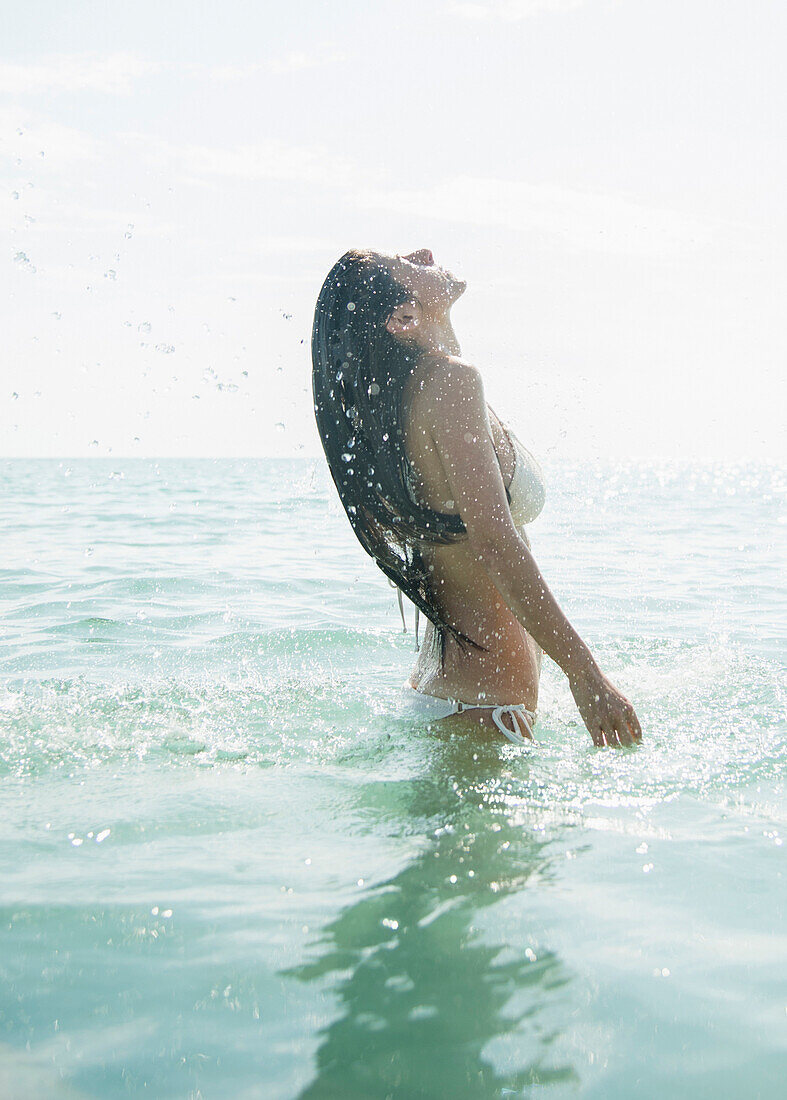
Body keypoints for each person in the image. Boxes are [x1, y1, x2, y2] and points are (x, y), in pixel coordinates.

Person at [311, 247, 642, 749]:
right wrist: (586, 675)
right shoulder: (448, 383)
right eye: (404, 261)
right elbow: (494, 544)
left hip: (455, 693)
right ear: (403, 318)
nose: (422, 252)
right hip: (488, 707)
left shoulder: (409, 398)